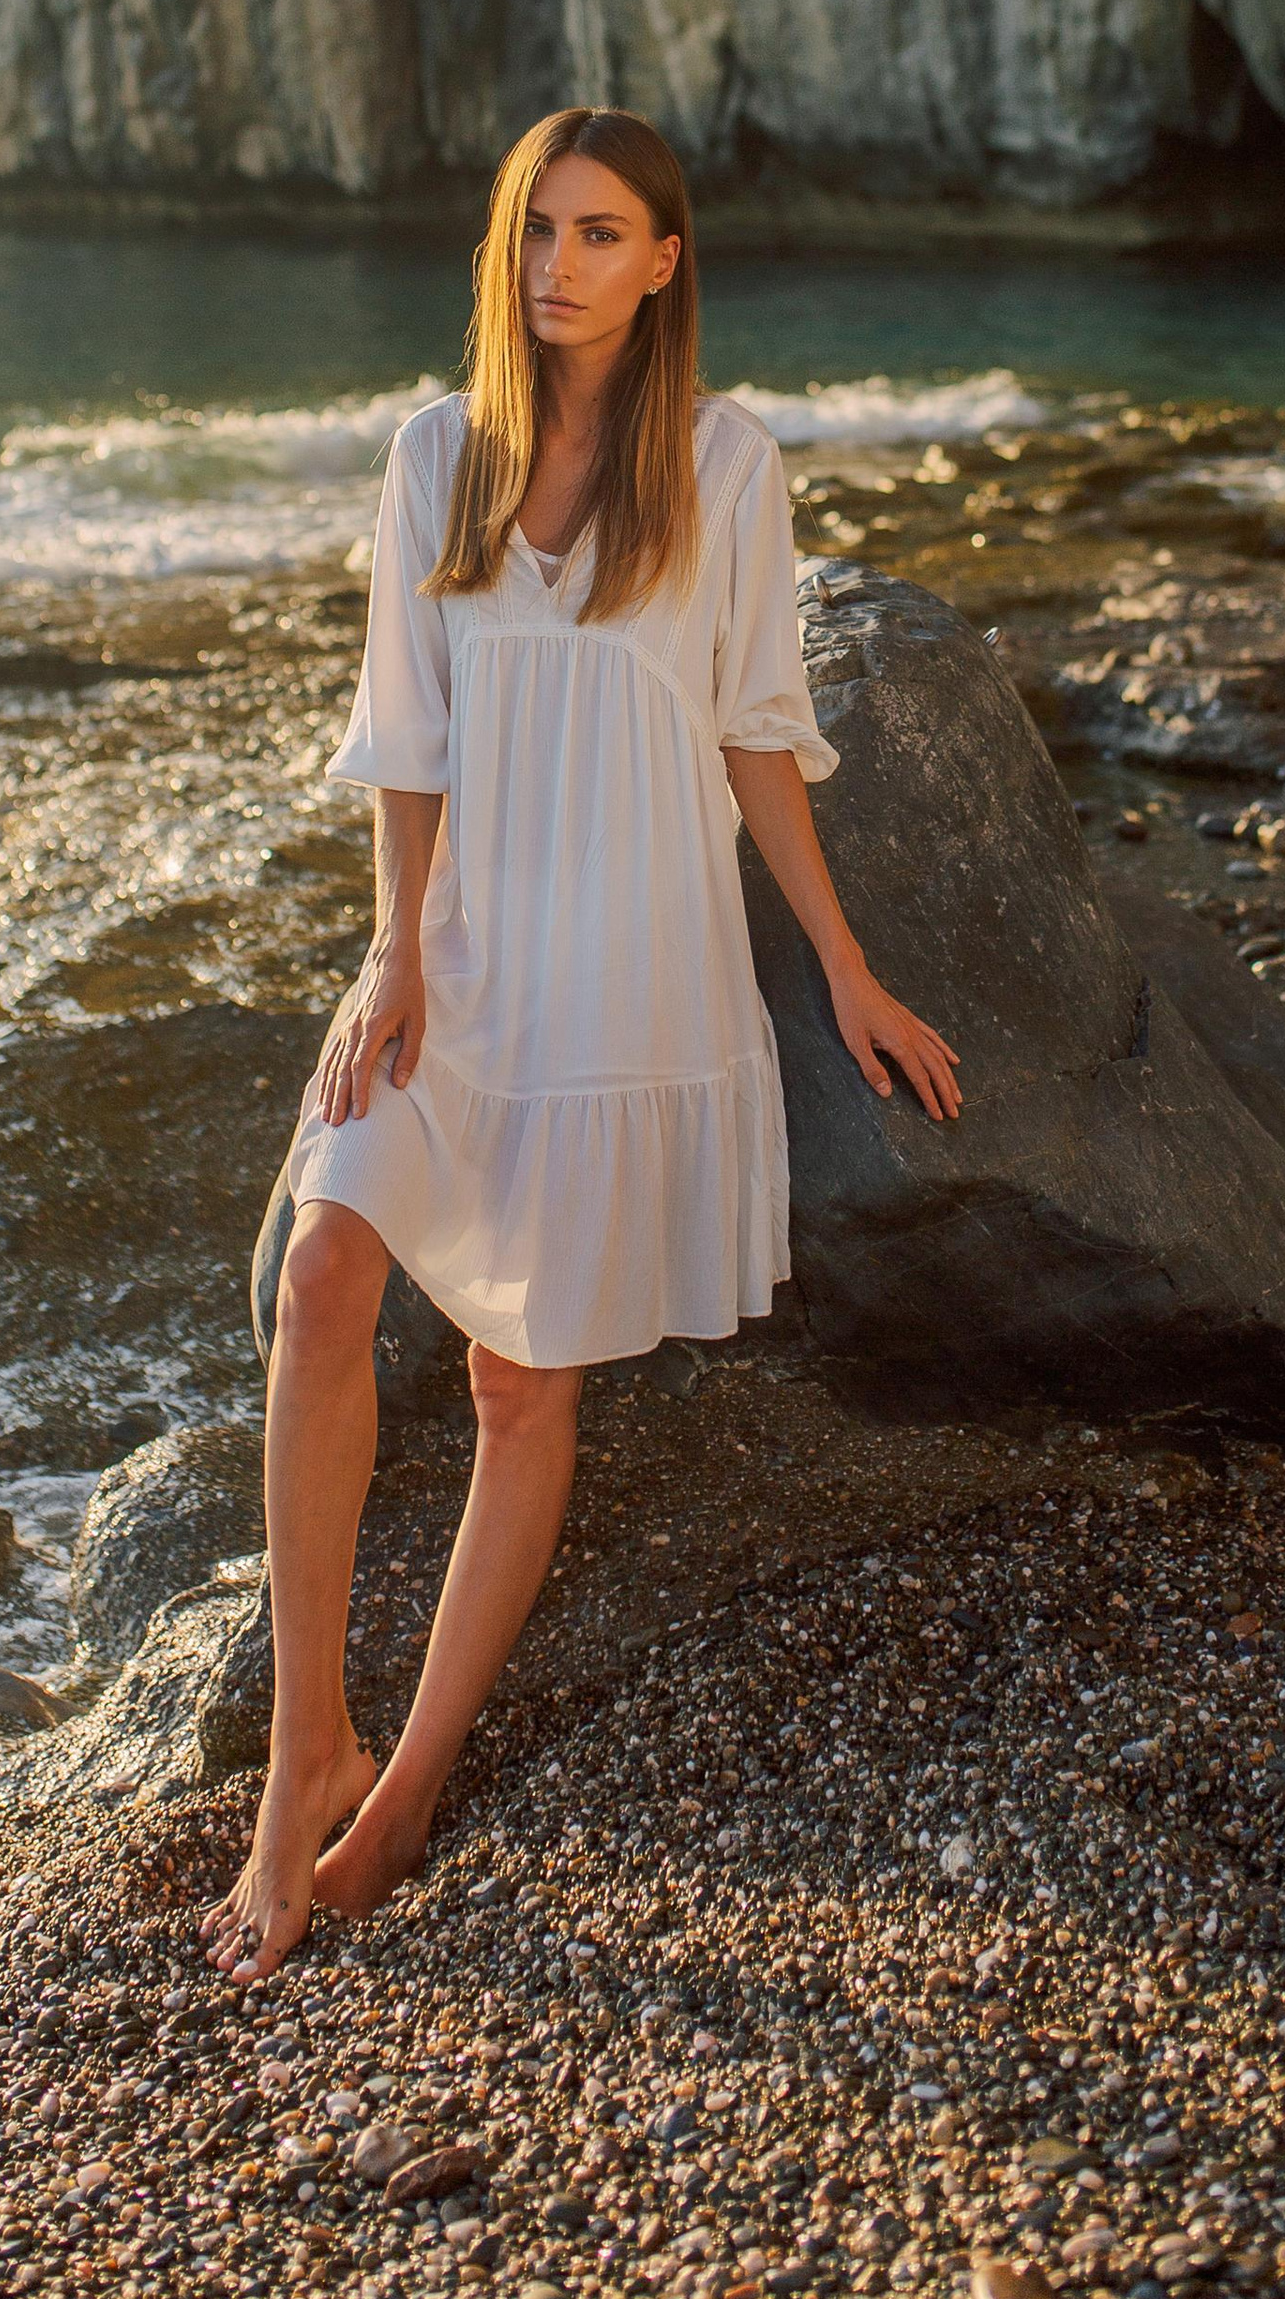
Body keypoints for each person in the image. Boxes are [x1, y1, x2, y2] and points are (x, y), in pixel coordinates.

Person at [203, 105, 960, 1981]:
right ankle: (308, 1747)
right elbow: (402, 736)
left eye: (601, 232)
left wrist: (848, 971)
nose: (558, 265)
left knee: (520, 1386)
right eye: (537, 229)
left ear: (664, 262)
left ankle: (414, 1783)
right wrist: (392, 952)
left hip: (633, 964)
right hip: (457, 957)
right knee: (319, 1276)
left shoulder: (724, 464)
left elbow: (758, 731)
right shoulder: (437, 456)